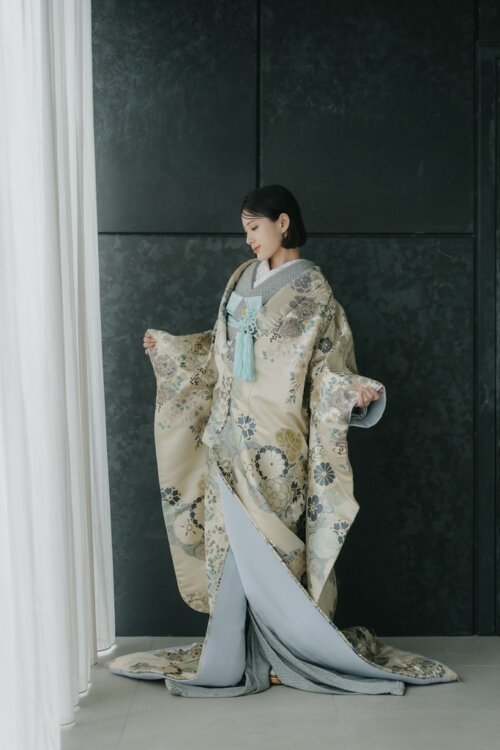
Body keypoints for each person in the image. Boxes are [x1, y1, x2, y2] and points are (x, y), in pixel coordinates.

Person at [106, 185, 460, 695]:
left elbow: (326, 366)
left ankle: (286, 650)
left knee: (274, 547)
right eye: (245, 229)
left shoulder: (314, 291)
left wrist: (351, 392)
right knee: (229, 544)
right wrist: (171, 349)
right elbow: (220, 348)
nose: (249, 239)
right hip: (228, 431)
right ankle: (238, 647)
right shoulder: (240, 278)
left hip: (277, 439)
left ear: (283, 222)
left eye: (255, 227)